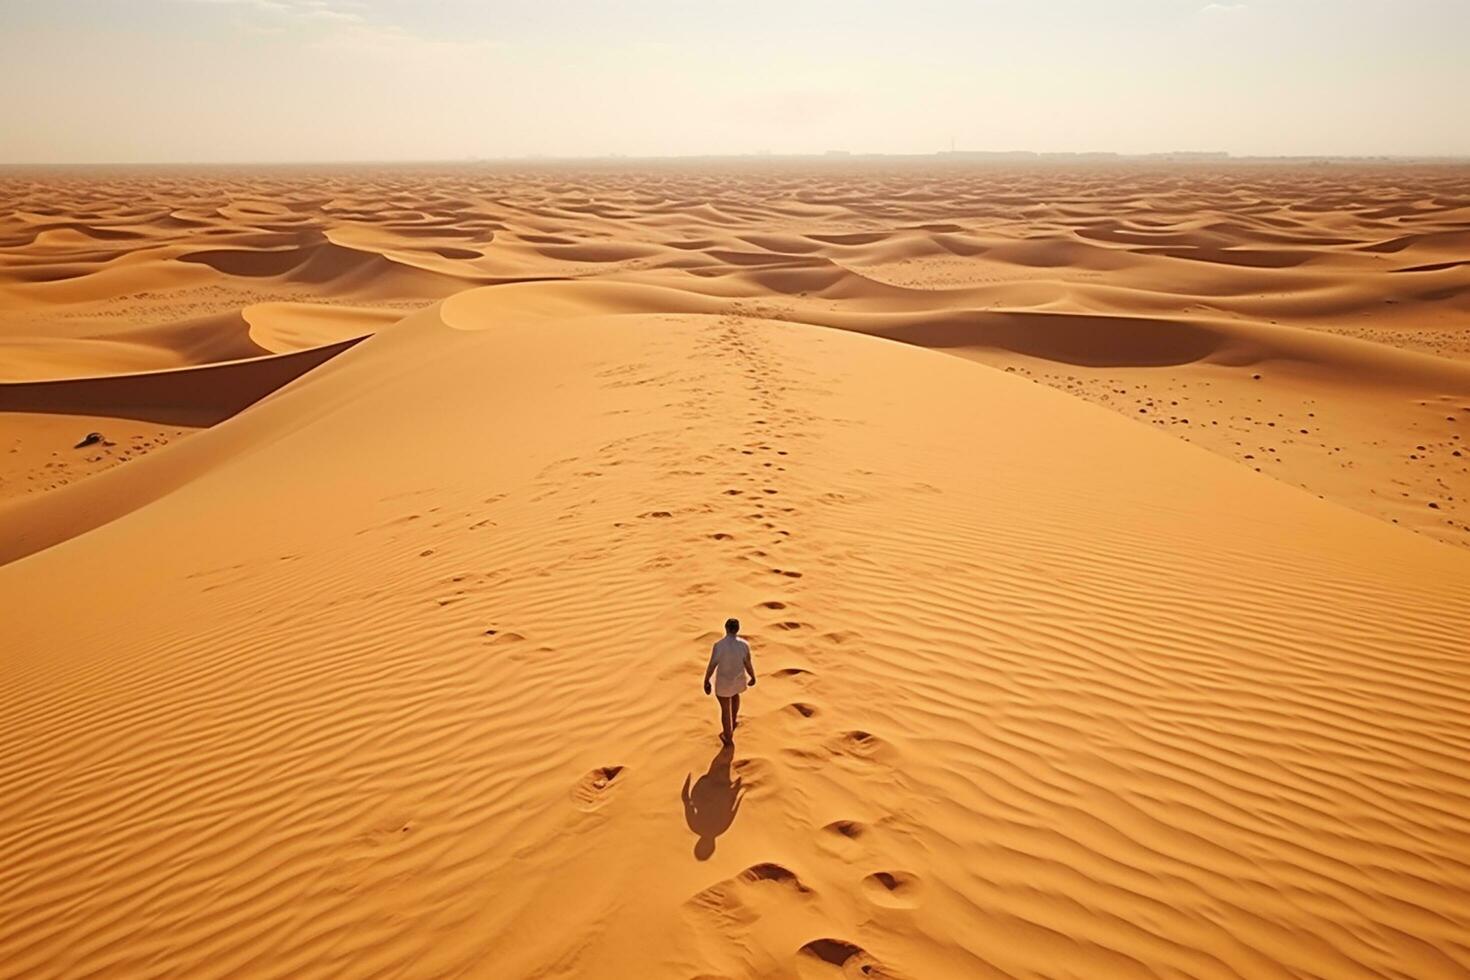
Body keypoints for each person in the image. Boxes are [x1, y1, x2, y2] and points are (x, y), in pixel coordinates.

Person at [703, 617, 756, 744]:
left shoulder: (719, 646)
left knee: (725, 709)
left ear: (726, 628)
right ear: (737, 629)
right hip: (738, 679)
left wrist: (706, 680)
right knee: (735, 696)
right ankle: (733, 722)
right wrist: (752, 676)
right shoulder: (744, 645)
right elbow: (748, 663)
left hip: (724, 683)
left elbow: (712, 665)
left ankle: (728, 737)